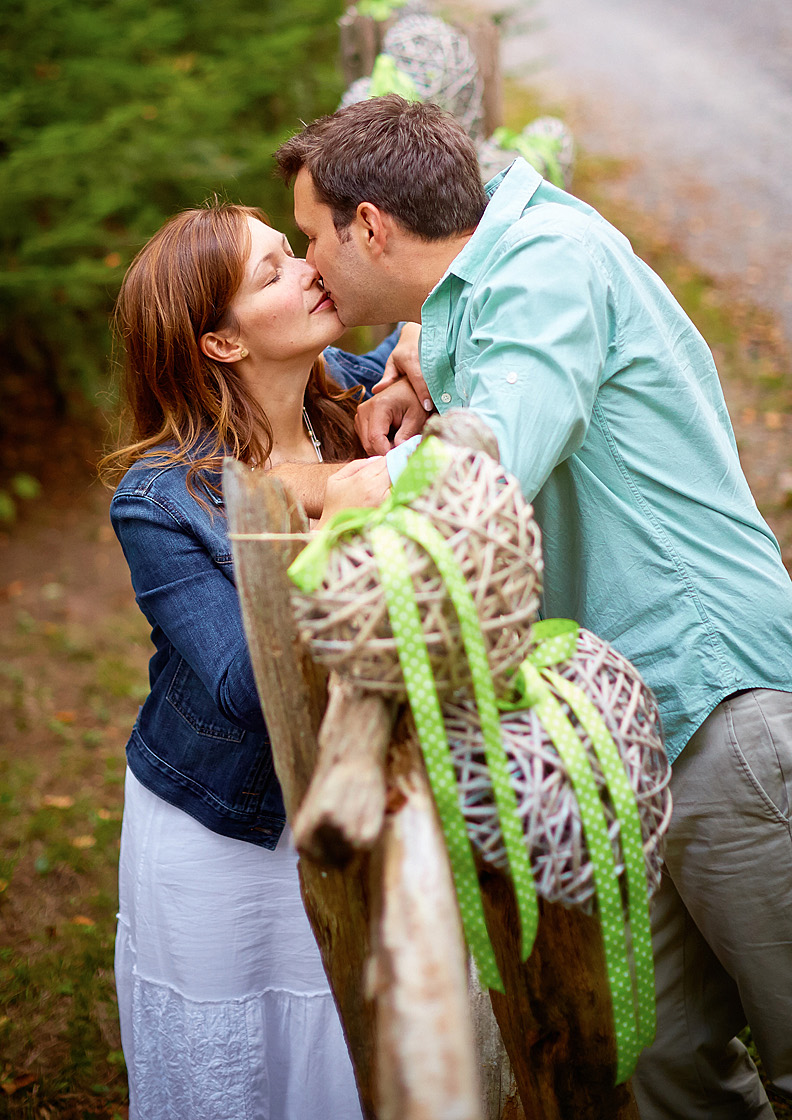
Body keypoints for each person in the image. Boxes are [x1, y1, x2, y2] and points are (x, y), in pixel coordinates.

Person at [274, 95, 792, 1120]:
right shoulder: (483, 263)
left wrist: (282, 487)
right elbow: (466, 313)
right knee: (664, 1060)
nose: (309, 263)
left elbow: (483, 465)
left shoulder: (549, 265)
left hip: (718, 703)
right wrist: (417, 356)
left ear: (370, 224)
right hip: (623, 732)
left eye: (309, 237)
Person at [100, 201, 391, 1119]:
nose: (311, 267)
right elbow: (243, 680)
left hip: (362, 796)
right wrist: (344, 500)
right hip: (226, 829)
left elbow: (460, 307)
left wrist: (418, 349)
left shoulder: (346, 389)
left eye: (289, 251)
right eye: (272, 273)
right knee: (246, 1070)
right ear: (223, 344)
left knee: (355, 1054)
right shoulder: (159, 499)